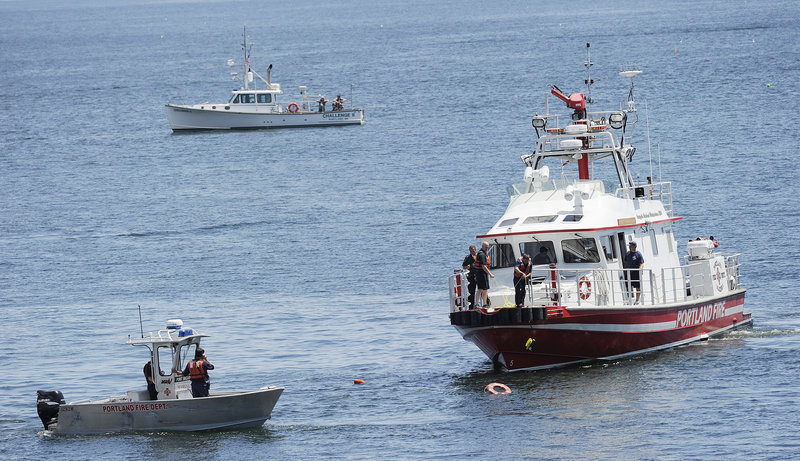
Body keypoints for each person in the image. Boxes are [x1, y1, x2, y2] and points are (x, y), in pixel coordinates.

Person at [475, 241, 495, 307]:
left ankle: (484, 304)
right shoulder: (482, 255)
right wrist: (490, 274)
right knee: (480, 289)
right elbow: (483, 266)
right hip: (481, 274)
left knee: (485, 289)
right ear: (482, 246)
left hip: (484, 274)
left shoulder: (484, 254)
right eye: (486, 247)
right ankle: (476, 304)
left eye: (488, 247)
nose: (487, 248)